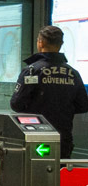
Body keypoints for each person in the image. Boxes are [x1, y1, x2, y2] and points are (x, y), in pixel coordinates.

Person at [11, 25, 88, 157]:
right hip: (63, 138)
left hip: (35, 137)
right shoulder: (72, 73)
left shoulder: (32, 71)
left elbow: (16, 104)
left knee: (34, 174)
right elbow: (83, 105)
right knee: (60, 174)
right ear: (61, 44)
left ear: (40, 42)